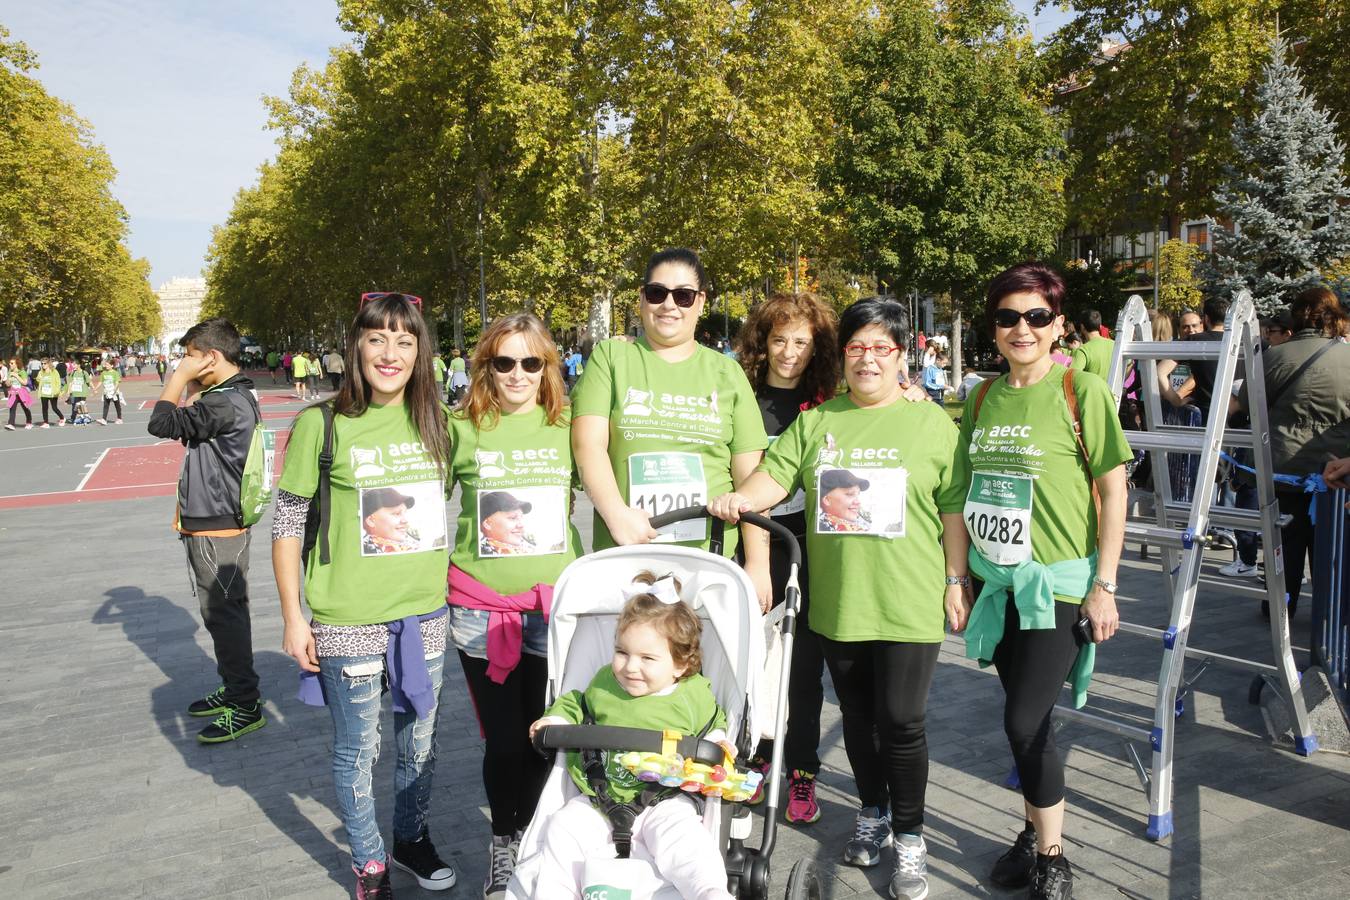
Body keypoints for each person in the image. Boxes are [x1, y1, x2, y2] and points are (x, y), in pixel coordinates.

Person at [709, 296, 970, 900]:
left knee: (901, 722)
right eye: (857, 347)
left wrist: (957, 580)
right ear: (844, 354)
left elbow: (952, 504)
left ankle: (910, 838)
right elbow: (768, 480)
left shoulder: (931, 422)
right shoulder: (818, 421)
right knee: (856, 720)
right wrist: (737, 500)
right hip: (841, 601)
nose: (869, 359)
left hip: (908, 599)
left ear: (904, 356)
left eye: (882, 348)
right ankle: (872, 813)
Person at [949, 262, 1131, 900]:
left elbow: (1113, 491)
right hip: (996, 585)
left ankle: (1052, 854)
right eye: (1007, 316)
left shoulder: (1082, 391)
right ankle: (1032, 832)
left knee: (1025, 722)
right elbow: (960, 491)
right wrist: (957, 576)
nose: (1020, 328)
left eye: (1035, 317)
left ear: (1058, 324)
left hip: (1056, 585)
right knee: (1026, 719)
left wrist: (1104, 584)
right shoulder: (979, 397)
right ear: (992, 326)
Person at [273, 293, 456, 899]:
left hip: (424, 613)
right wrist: (293, 617)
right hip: (346, 617)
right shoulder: (319, 425)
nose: (390, 353)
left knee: (420, 745)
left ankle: (410, 840)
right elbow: (287, 523)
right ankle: (369, 862)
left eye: (405, 341)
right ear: (356, 344)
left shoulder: (440, 424)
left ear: (420, 352)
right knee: (359, 749)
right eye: (378, 338)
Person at [446, 312, 582, 898]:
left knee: (549, 738)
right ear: (486, 367)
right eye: (505, 362)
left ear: (548, 366)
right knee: (504, 742)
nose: (518, 373)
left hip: (559, 612)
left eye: (532, 362)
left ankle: (545, 846)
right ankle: (507, 843)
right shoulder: (460, 429)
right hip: (481, 611)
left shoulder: (573, 429)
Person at [571, 247, 771, 606]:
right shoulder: (611, 357)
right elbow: (588, 444)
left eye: (683, 295)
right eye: (657, 293)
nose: (669, 305)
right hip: (627, 557)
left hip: (708, 563)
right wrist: (617, 517)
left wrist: (758, 564)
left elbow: (750, 477)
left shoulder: (727, 372)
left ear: (700, 302)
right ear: (641, 299)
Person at [528, 574, 735, 900]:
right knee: (562, 828)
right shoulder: (603, 682)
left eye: (647, 658)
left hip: (665, 799)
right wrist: (553, 720)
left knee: (688, 844)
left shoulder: (693, 695)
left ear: (681, 664)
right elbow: (574, 704)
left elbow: (714, 725)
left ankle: (710, 894)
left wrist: (721, 744)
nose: (629, 667)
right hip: (598, 797)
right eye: (621, 652)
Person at [732, 292, 840, 824]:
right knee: (751, 663)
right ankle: (752, 762)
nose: (789, 352)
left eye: (801, 341)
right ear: (763, 343)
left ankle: (801, 773)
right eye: (779, 340)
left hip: (813, 547)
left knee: (802, 672)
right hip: (755, 545)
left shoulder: (830, 399)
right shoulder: (743, 396)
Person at [146, 318, 266, 744]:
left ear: (211, 357)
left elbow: (160, 423)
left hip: (217, 521)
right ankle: (236, 687)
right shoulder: (232, 394)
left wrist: (177, 378)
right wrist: (193, 380)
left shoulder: (222, 403)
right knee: (223, 613)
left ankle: (245, 702)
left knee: (224, 614)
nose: (184, 363)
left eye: (190, 355)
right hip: (218, 517)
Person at [1235, 286, 1350, 619]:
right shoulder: (1347, 358)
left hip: (1282, 467)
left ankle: (1279, 607)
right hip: (1335, 470)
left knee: (1283, 544)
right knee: (1330, 549)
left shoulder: (1274, 357)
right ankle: (1330, 613)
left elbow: (1247, 404)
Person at [1069, 310, 1114, 377]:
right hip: (1114, 387)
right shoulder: (1115, 345)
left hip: (1090, 387)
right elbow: (1130, 364)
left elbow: (1071, 376)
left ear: (1082, 327)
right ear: (1099, 326)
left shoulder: (1083, 350)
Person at [35, 359, 66, 428]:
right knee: (44, 408)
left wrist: (57, 391)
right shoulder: (41, 372)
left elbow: (58, 382)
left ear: (49, 364)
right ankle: (46, 422)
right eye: (42, 363)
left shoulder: (54, 372)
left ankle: (62, 418)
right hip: (44, 392)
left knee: (54, 408)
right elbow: (38, 380)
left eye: (45, 363)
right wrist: (38, 378)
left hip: (52, 393)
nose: (43, 365)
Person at [62, 359, 92, 424]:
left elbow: (88, 382)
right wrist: (68, 392)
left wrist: (94, 389)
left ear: (79, 365)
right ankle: (79, 417)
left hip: (83, 391)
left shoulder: (84, 373)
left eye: (75, 364)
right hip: (76, 391)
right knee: (77, 405)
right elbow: (70, 383)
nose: (73, 366)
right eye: (73, 365)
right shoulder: (73, 373)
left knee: (82, 404)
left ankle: (86, 417)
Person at [4, 365, 33, 430]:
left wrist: (16, 376)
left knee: (25, 407)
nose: (10, 364)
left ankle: (29, 422)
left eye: (12, 363)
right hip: (13, 392)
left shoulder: (22, 372)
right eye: (10, 363)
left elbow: (25, 383)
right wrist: (8, 381)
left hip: (21, 392)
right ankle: (11, 424)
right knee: (12, 407)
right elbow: (8, 384)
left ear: (16, 364)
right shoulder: (10, 372)